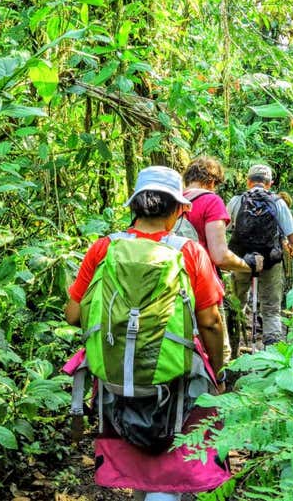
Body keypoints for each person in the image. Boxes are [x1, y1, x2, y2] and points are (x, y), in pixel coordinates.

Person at [64, 166, 227, 501]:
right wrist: (219, 371)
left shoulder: (103, 249)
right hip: (172, 377)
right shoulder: (189, 252)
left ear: (134, 206)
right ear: (178, 210)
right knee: (171, 451)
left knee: (137, 461)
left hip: (114, 378)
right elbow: (210, 321)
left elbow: (73, 315)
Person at [181, 157, 263, 359]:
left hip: (173, 284)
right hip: (203, 285)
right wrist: (248, 265)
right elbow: (220, 256)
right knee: (216, 351)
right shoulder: (211, 201)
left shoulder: (172, 202)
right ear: (211, 181)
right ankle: (218, 386)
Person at [227, 164, 293, 346]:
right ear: (269, 183)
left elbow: (223, 228)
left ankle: (233, 349)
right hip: (271, 260)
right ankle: (272, 358)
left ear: (248, 181)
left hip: (241, 260)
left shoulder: (236, 201)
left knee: (237, 304)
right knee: (271, 309)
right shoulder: (278, 202)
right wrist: (291, 247)